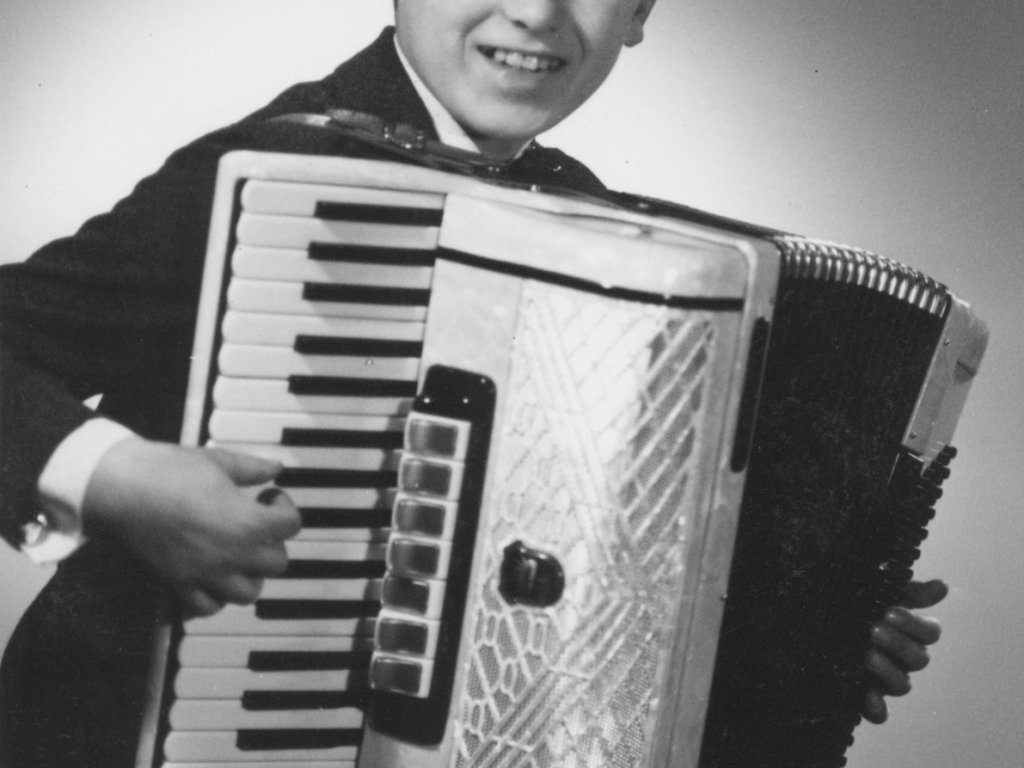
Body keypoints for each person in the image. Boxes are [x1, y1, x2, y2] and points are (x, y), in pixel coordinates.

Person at [0, 1, 947, 766]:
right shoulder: (276, 172)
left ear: (643, 10)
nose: (537, 12)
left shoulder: (585, 217)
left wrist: (804, 628)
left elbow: (624, 557)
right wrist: (113, 480)